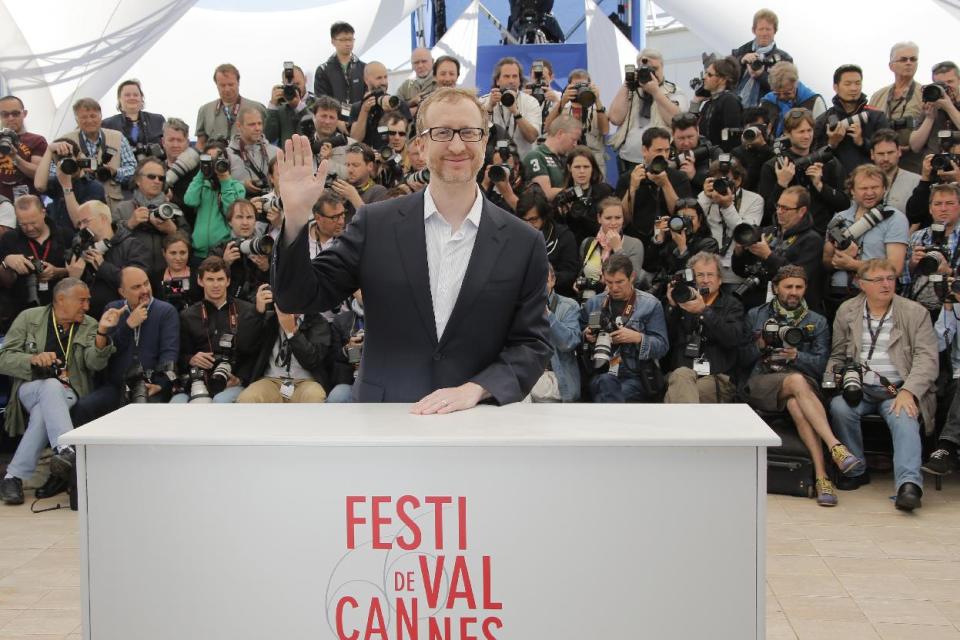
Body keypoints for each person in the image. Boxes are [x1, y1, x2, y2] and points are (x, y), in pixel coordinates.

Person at [273, 87, 552, 411]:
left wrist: (477, 389)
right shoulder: (374, 224)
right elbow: (297, 297)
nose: (458, 144)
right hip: (385, 420)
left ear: (485, 141)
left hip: (478, 423)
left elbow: (532, 344)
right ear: (420, 143)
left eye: (469, 132)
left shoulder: (524, 242)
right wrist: (294, 217)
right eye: (442, 132)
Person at [740, 265, 860, 507]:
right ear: (775, 288)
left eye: (799, 287)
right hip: (763, 381)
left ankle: (821, 478)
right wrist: (761, 345)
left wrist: (797, 357)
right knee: (795, 383)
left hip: (802, 383)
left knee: (796, 401)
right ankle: (835, 446)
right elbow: (740, 359)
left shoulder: (817, 321)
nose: (794, 292)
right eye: (788, 287)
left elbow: (821, 366)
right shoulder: (756, 315)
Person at [828, 259, 938, 511]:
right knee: (840, 407)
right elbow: (836, 355)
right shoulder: (847, 310)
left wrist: (909, 391)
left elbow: (928, 359)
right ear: (861, 284)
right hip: (861, 389)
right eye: (878, 280)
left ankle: (908, 485)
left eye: (890, 278)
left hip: (898, 388)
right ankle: (856, 469)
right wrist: (836, 380)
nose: (886, 284)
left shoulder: (914, 312)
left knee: (905, 415)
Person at [0, 278, 118, 505]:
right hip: (30, 389)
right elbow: (3, 358)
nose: (87, 307)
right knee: (50, 386)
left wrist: (102, 333)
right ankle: (65, 447)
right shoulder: (29, 318)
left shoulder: (89, 324)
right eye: (82, 301)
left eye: (88, 301)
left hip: (70, 391)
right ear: (61, 299)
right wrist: (32, 359)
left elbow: (94, 364)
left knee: (46, 407)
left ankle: (13, 477)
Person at [172, 256, 265, 403]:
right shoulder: (187, 316)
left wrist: (240, 378)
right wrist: (191, 359)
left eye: (220, 279)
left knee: (219, 402)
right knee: (176, 404)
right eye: (210, 279)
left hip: (232, 382)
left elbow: (254, 352)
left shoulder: (247, 311)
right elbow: (179, 355)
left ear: (228, 281)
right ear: (200, 281)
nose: (216, 285)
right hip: (198, 383)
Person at [579, 254, 668, 403]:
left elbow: (663, 347)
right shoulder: (594, 304)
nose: (614, 288)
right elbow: (577, 336)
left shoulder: (651, 304)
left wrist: (637, 338)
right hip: (601, 370)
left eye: (620, 282)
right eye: (609, 282)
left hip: (635, 375)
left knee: (605, 394)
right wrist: (586, 336)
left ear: (632, 277)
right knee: (606, 383)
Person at [95, 266, 180, 414]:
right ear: (122, 292)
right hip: (117, 387)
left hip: (150, 386)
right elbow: (110, 352)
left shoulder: (166, 311)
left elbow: (169, 353)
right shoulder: (113, 309)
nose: (145, 290)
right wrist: (128, 325)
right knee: (84, 407)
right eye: (136, 287)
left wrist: (160, 385)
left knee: (143, 414)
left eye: (146, 283)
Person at [823, 165, 909, 309]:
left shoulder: (895, 218)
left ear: (884, 189)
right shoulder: (839, 218)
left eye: (875, 187)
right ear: (852, 191)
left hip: (877, 293)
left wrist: (852, 264)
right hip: (839, 292)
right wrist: (836, 257)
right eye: (863, 188)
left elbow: (895, 267)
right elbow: (825, 263)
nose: (870, 193)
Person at [662, 252, 743, 404]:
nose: (705, 280)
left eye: (710, 275)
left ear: (720, 280)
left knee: (678, 392)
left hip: (717, 379)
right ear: (691, 279)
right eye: (700, 275)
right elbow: (665, 342)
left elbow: (733, 338)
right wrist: (672, 307)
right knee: (681, 377)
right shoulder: (681, 303)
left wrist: (704, 311)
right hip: (680, 374)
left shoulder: (732, 305)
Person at [733, 186, 825, 311]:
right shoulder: (767, 232)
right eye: (778, 206)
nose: (779, 211)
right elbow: (740, 271)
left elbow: (800, 277)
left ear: (802, 211)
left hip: (793, 309)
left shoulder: (812, 240)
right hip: (758, 308)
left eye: (786, 208)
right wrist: (739, 253)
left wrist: (768, 256)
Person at [758, 107, 849, 232]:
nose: (807, 136)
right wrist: (781, 184)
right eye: (801, 132)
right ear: (787, 133)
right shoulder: (774, 165)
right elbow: (767, 214)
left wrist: (820, 186)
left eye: (809, 130)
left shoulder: (827, 160)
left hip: (823, 233)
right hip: (788, 237)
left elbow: (845, 204)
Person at [608, 49, 687, 172]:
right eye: (645, 69)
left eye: (654, 69)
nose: (651, 74)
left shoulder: (674, 91)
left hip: (660, 160)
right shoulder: (632, 90)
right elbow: (615, 118)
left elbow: (676, 121)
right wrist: (627, 84)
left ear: (662, 67)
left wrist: (656, 92)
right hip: (628, 159)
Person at [0, 196, 71, 332]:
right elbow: (4, 282)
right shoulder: (10, 239)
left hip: (60, 309)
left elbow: (79, 272)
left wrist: (58, 272)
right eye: (23, 224)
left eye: (33, 223)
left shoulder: (65, 235)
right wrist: (6, 262)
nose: (29, 228)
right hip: (21, 311)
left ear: (43, 212)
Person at [54, 98, 136, 213]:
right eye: (84, 117)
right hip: (78, 203)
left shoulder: (118, 137)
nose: (89, 120)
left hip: (113, 205)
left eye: (93, 116)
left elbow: (133, 169)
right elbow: (53, 172)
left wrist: (114, 172)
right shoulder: (64, 141)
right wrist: (77, 172)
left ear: (100, 116)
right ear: (76, 120)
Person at [71, 200, 151, 319]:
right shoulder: (83, 247)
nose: (82, 227)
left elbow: (137, 284)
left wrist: (103, 266)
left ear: (103, 218)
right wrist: (74, 277)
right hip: (90, 319)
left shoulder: (132, 245)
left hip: (123, 318)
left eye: (85, 221)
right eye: (79, 224)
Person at [112, 158, 184, 286]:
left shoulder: (172, 209)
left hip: (167, 278)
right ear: (138, 180)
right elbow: (111, 242)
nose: (157, 181)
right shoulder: (122, 208)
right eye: (151, 176)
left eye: (161, 178)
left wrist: (173, 231)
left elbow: (188, 241)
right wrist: (129, 224)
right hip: (134, 280)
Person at [236, 307, 331, 404]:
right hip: (271, 380)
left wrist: (292, 333)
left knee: (315, 396)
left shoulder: (318, 322)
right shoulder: (269, 319)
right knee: (248, 398)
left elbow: (312, 360)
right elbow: (245, 346)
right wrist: (257, 312)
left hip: (305, 382)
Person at [618, 127, 692, 246]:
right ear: (644, 150)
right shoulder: (628, 178)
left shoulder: (679, 177)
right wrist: (632, 188)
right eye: (658, 150)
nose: (663, 155)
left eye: (667, 150)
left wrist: (665, 184)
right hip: (636, 240)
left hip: (671, 241)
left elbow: (683, 215)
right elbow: (623, 220)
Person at [698, 158, 764, 290]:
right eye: (717, 180)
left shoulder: (754, 200)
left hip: (735, 273)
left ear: (738, 180)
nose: (722, 184)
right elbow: (695, 225)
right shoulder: (705, 197)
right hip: (708, 271)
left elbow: (746, 233)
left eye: (726, 180)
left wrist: (727, 205)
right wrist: (705, 198)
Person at [814, 65, 889, 176]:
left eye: (858, 83)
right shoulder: (822, 120)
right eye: (847, 84)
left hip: (870, 184)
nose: (854, 88)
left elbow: (888, 154)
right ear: (835, 87)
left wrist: (862, 142)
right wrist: (832, 143)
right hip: (835, 186)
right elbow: (813, 156)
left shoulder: (876, 117)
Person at [902, 183, 960, 311]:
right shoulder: (917, 237)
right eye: (938, 204)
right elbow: (901, 278)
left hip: (953, 310)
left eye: (950, 203)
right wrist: (912, 264)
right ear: (930, 208)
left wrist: (949, 272)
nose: (943, 209)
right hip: (916, 307)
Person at [183, 142, 246, 259]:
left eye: (217, 159)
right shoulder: (202, 185)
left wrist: (225, 182)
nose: (213, 163)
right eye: (209, 159)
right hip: (198, 254)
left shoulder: (237, 187)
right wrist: (202, 172)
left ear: (226, 161)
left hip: (223, 252)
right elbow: (189, 200)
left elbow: (231, 212)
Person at [577, 197, 644, 300]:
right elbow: (583, 273)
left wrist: (618, 248)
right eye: (608, 218)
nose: (613, 223)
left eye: (618, 218)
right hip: (590, 301)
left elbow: (634, 279)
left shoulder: (634, 244)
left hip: (622, 303)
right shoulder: (588, 243)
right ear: (599, 218)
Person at [545, 68, 609, 174]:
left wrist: (597, 100)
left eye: (584, 86)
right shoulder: (562, 108)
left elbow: (605, 130)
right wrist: (562, 101)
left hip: (594, 161)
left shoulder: (597, 109)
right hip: (567, 160)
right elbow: (547, 128)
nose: (580, 90)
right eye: (576, 86)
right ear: (568, 87)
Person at [516, 188, 577, 297]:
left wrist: (543, 276)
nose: (528, 225)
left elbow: (570, 275)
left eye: (533, 220)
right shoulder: (514, 237)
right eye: (524, 220)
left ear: (544, 217)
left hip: (557, 297)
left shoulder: (564, 236)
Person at [210, 199, 270, 304]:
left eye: (249, 217)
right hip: (229, 307)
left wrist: (267, 268)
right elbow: (207, 284)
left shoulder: (266, 247)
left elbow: (281, 282)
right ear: (230, 222)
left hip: (260, 307)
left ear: (256, 221)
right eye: (239, 217)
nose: (245, 223)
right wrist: (225, 263)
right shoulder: (220, 249)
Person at [536, 264, 580, 402]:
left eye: (543, 280)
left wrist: (547, 315)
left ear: (553, 281)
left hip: (556, 377)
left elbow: (568, 343)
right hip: (528, 373)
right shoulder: (519, 308)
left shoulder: (569, 306)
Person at [482, 58, 543, 160]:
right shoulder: (483, 101)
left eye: (515, 76)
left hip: (523, 163)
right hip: (491, 164)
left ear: (520, 80)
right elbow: (476, 135)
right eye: (506, 76)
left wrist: (515, 111)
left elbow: (532, 137)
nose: (511, 80)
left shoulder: (530, 102)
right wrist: (489, 108)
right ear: (497, 80)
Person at [195, 64, 266, 149]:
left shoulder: (257, 108)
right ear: (216, 85)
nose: (227, 89)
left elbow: (267, 138)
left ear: (238, 83)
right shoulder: (205, 110)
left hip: (247, 159)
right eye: (222, 85)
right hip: (216, 160)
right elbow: (201, 143)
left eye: (231, 84)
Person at [733, 8, 793, 109]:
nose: (764, 33)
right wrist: (741, 60)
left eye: (768, 29)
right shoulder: (743, 50)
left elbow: (785, 90)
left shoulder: (784, 59)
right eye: (761, 29)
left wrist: (761, 75)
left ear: (775, 31)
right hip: (735, 105)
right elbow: (726, 74)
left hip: (762, 112)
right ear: (754, 30)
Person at [650, 198, 719, 284]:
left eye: (690, 218)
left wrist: (683, 249)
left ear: (700, 219)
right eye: (682, 218)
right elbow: (651, 267)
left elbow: (693, 276)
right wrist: (658, 239)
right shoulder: (671, 241)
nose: (686, 222)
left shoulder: (709, 244)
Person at [555, 146, 614, 244]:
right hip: (571, 246)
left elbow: (608, 227)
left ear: (592, 168)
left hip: (598, 245)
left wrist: (583, 217)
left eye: (586, 167)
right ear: (569, 168)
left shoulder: (604, 192)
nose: (582, 171)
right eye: (577, 167)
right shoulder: (562, 197)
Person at [349, 62, 413, 150]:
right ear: (366, 80)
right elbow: (355, 140)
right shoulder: (357, 107)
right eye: (379, 78)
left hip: (392, 159)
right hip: (366, 159)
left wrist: (391, 112)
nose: (383, 82)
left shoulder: (398, 104)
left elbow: (406, 139)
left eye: (385, 77)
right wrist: (364, 111)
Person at [521, 114, 581, 201]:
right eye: (573, 139)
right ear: (560, 133)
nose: (575, 144)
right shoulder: (536, 156)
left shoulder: (566, 159)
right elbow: (545, 193)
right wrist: (579, 191)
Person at [909, 61, 960, 160]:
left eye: (950, 82)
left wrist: (949, 107)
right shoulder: (932, 105)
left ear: (959, 80)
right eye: (941, 84)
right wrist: (929, 118)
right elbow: (915, 146)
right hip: (933, 168)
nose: (946, 87)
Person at [0, 94, 47, 202]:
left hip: (27, 204)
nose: (10, 118)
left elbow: (39, 174)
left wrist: (15, 158)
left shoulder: (37, 140)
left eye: (15, 113)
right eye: (5, 114)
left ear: (24, 114)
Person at [759, 62, 826, 137]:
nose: (782, 97)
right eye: (777, 94)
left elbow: (821, 133)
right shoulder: (766, 102)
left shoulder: (814, 102)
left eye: (787, 93)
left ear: (796, 84)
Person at [101, 79, 166, 153]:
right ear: (119, 99)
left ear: (141, 98)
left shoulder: (158, 121)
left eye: (135, 95)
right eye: (127, 95)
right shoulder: (107, 124)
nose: (132, 97)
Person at [226, 106, 279, 198]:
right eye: (252, 124)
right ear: (239, 126)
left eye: (259, 123)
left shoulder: (276, 152)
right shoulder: (227, 155)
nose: (257, 128)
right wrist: (242, 185)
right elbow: (222, 186)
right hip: (242, 209)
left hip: (273, 207)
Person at [694, 56, 743, 148]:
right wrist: (696, 101)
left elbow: (732, 140)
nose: (704, 77)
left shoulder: (729, 101)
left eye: (709, 75)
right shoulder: (709, 103)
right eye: (705, 73)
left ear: (723, 79)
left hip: (721, 158)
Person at [159, 118, 200, 227]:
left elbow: (196, 206)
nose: (175, 145)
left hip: (190, 228)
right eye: (171, 140)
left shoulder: (198, 170)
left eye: (179, 140)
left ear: (187, 142)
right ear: (163, 142)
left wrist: (172, 198)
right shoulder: (156, 168)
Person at [870, 129, 920, 215]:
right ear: (872, 154)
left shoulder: (916, 182)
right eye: (881, 154)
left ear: (899, 151)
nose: (886, 158)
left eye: (890, 153)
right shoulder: (862, 182)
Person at [870, 43, 923, 125]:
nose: (909, 63)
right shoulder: (878, 96)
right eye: (903, 60)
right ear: (891, 66)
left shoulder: (924, 93)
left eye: (913, 59)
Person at [314, 22, 366, 104]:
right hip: (333, 115)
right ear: (333, 41)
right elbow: (321, 101)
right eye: (343, 40)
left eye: (351, 39)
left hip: (360, 115)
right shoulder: (323, 70)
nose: (348, 44)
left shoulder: (364, 68)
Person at [265, 64, 316, 147]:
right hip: (286, 157)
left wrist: (298, 106)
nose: (294, 89)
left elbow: (316, 130)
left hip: (310, 155)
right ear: (283, 84)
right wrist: (273, 106)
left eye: (297, 84)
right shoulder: (280, 107)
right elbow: (268, 137)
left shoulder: (318, 103)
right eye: (290, 86)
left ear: (305, 80)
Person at [156, 231, 201, 312]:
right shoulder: (154, 278)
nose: (178, 258)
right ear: (164, 253)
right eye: (173, 253)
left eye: (182, 252)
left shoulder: (198, 275)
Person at [397, 48, 437, 115]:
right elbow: (393, 108)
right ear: (412, 65)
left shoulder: (440, 82)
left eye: (424, 61)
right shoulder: (406, 86)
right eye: (416, 62)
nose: (420, 66)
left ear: (432, 61)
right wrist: (410, 103)